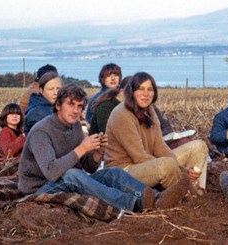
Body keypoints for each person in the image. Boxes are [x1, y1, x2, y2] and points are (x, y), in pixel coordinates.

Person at [18, 83, 190, 212]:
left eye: (79, 106)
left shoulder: (75, 127)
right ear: (58, 105)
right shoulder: (41, 131)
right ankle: (133, 203)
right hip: (39, 188)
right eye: (71, 104)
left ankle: (155, 196)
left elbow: (88, 167)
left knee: (112, 172)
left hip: (64, 180)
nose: (76, 110)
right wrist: (82, 148)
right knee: (72, 175)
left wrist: (97, 153)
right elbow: (52, 172)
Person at [104, 72, 208, 192]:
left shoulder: (150, 111)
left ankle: (198, 192)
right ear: (131, 92)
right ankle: (185, 195)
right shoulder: (122, 114)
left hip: (147, 163)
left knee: (199, 146)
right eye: (140, 89)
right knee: (167, 165)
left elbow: (160, 147)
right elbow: (139, 156)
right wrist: (183, 172)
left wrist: (181, 169)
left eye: (150, 89)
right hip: (124, 171)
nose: (146, 94)